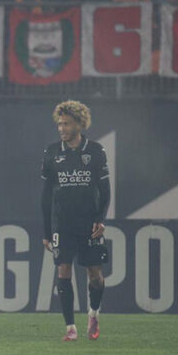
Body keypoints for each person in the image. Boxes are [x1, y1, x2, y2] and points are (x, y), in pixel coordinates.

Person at [41, 101, 110, 342]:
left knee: (95, 275)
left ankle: (93, 313)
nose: (61, 128)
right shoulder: (51, 153)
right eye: (59, 124)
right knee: (63, 270)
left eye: (67, 124)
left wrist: (101, 220)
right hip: (63, 223)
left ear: (79, 124)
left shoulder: (96, 151)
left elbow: (105, 190)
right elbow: (46, 195)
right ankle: (70, 327)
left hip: (89, 223)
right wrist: (47, 231)